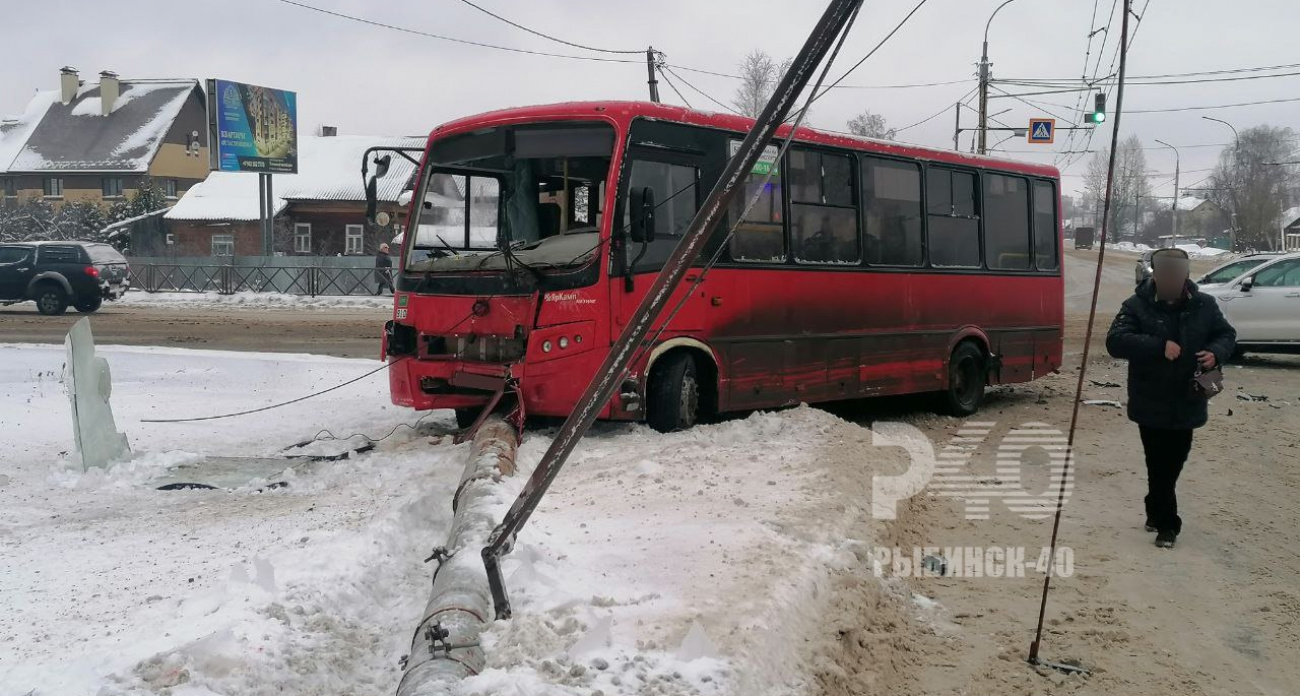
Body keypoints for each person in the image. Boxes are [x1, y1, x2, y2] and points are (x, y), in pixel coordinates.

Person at [1106, 247, 1236, 549]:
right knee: (1157, 462)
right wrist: (1158, 345)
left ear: (1186, 276)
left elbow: (1226, 335)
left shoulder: (1204, 305)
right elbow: (1115, 341)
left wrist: (1215, 353)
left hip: (1190, 397)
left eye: (1177, 274)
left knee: (1173, 461)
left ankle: (1154, 505)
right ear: (1156, 274)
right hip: (1149, 397)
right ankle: (1168, 525)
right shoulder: (1137, 305)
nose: (1172, 280)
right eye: (1166, 274)